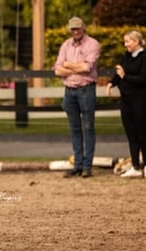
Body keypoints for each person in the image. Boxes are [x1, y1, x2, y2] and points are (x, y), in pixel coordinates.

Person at [53, 16, 101, 178]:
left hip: (86, 90)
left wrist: (68, 65)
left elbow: (87, 67)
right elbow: (57, 70)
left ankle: (87, 166)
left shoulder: (92, 44)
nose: (75, 31)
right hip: (69, 91)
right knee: (74, 129)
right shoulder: (66, 45)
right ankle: (78, 165)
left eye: (78, 28)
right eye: (72, 29)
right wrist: (76, 68)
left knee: (88, 127)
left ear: (84, 28)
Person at [106, 30, 146, 178]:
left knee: (143, 133)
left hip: (141, 100)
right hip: (126, 101)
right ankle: (135, 166)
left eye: (128, 41)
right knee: (131, 134)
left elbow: (143, 79)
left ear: (136, 42)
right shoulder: (127, 57)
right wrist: (112, 83)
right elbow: (119, 73)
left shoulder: (144, 58)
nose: (125, 44)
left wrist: (125, 76)